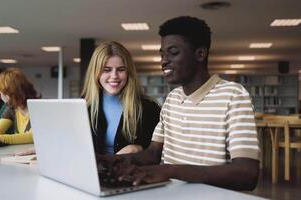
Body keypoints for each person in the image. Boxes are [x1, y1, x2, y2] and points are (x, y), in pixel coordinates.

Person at [99, 16, 260, 191]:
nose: (163, 60)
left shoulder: (234, 95)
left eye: (173, 52)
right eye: (162, 54)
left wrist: (170, 170)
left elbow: (247, 174)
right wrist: (106, 160)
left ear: (200, 54)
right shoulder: (172, 99)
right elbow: (152, 154)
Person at [81, 41, 161, 155]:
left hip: (132, 171)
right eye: (106, 70)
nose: (114, 76)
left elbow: (157, 154)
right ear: (95, 73)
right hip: (90, 171)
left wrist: (138, 149)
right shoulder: (82, 107)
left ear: (128, 72)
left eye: (121, 69)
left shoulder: (148, 108)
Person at [0, 68, 39, 145]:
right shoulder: (12, 108)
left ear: (9, 92)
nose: (0, 95)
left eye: (1, 92)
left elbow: (33, 136)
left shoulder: (37, 108)